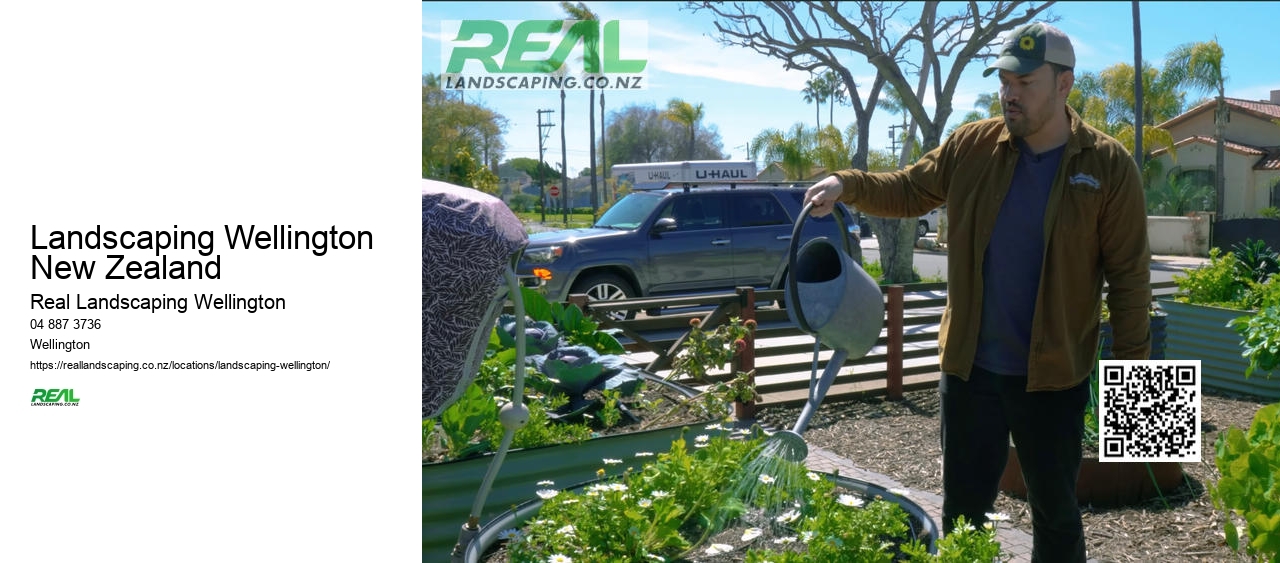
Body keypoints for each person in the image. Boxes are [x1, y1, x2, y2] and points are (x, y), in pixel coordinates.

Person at [804, 22, 1151, 563]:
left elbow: (1131, 280)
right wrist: (847, 184)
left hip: (1054, 378)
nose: (1011, 92)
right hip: (969, 373)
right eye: (1005, 80)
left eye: (1026, 82)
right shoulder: (974, 145)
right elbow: (912, 188)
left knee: (1056, 517)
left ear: (1064, 86)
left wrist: (1139, 406)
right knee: (965, 514)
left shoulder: (1107, 166)